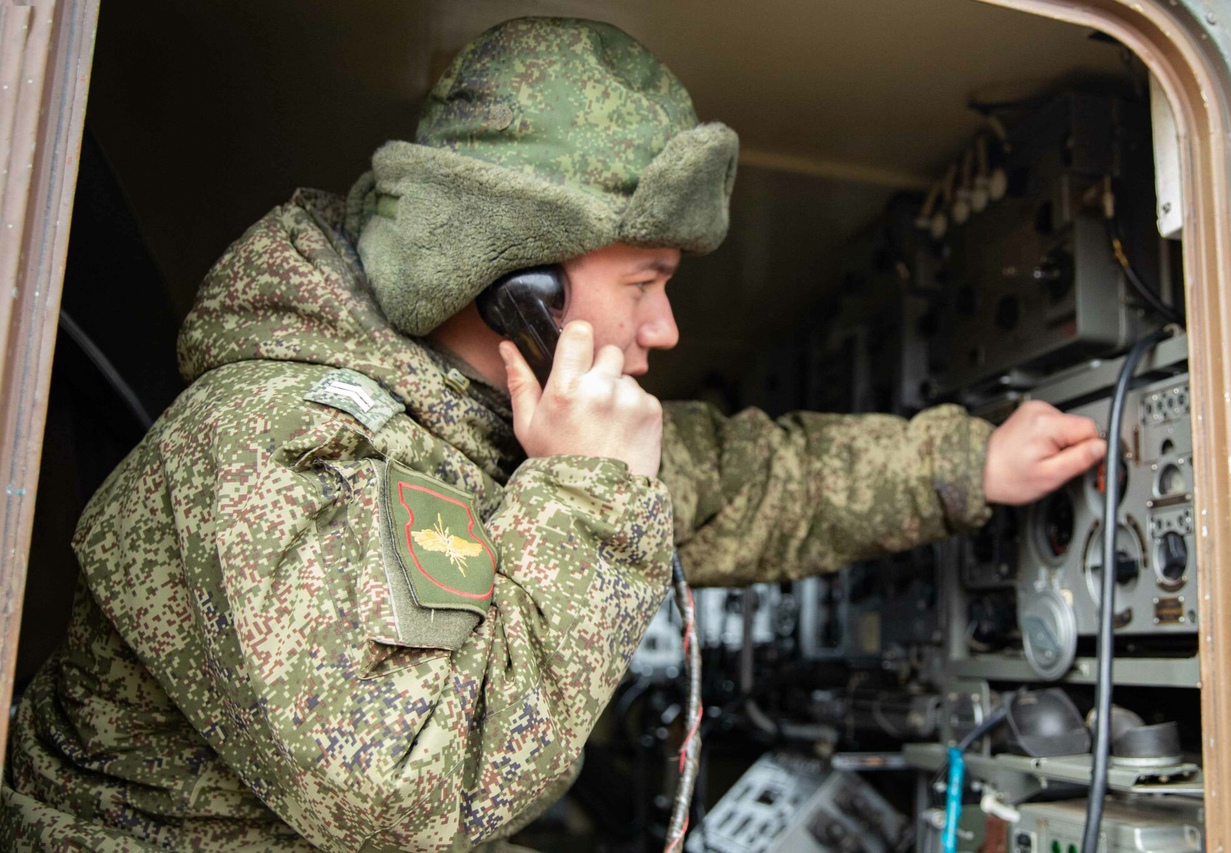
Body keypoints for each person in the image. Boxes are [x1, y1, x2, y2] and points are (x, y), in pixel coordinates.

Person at [0, 16, 1106, 853]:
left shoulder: (483, 419)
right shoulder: (266, 444)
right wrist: (585, 494)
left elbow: (742, 478)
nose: (666, 327)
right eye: (649, 281)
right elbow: (412, 789)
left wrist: (968, 462)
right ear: (514, 276)